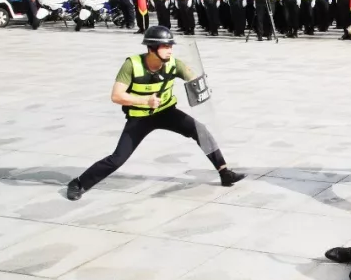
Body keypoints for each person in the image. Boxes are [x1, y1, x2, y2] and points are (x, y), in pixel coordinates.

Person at [66, 26, 244, 201]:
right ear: (151, 48)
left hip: (167, 112)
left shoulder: (174, 63)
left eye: (171, 46)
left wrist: (200, 85)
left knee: (200, 130)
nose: (170, 50)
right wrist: (144, 101)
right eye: (165, 46)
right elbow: (116, 96)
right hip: (140, 118)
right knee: (118, 159)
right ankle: (78, 183)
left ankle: (224, 173)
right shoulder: (132, 65)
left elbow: (193, 77)